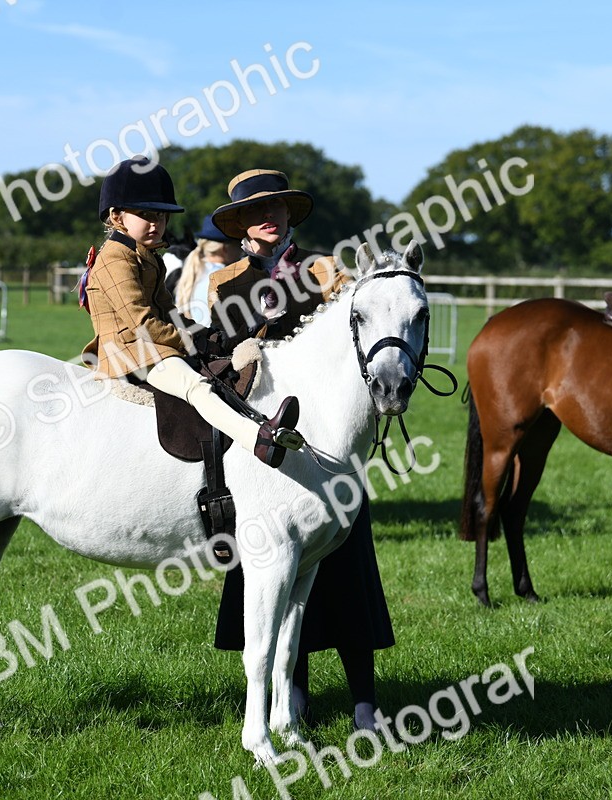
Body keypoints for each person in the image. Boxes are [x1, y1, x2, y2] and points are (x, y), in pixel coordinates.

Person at [207, 168, 394, 731]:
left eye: (280, 208)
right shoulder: (222, 281)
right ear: (240, 223)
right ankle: (292, 696)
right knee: (275, 572)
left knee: (348, 568)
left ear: (291, 215)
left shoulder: (324, 270)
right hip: (261, 441)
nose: (271, 217)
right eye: (257, 211)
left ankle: (365, 703)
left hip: (328, 440)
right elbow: (216, 349)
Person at [79, 157, 303, 469]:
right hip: (130, 353)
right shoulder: (116, 259)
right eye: (145, 215)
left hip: (151, 347)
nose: (157, 223)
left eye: (161, 215)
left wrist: (207, 335)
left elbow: (169, 312)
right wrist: (191, 343)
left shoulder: (147, 257)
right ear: (116, 216)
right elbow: (142, 323)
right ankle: (257, 440)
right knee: (197, 386)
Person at [207, 169, 349, 341]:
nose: (268, 213)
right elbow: (224, 348)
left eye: (275, 203)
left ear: (288, 212)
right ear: (240, 221)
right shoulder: (223, 282)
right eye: (254, 206)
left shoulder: (330, 266)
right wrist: (269, 307)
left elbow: (353, 329)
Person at [174, 214, 242, 327]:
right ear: (225, 249)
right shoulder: (225, 277)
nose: (241, 250)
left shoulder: (193, 272)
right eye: (238, 244)